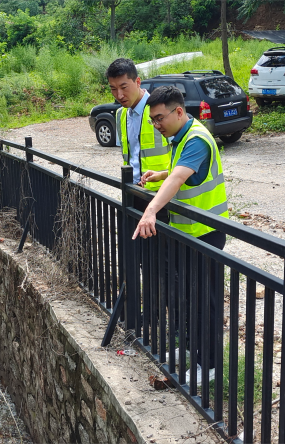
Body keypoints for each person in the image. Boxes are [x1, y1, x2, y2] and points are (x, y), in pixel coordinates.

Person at [132, 85, 229, 384]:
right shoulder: (181, 136)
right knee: (187, 297)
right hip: (188, 234)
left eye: (160, 118)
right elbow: (177, 172)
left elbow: (178, 178)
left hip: (206, 235)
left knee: (205, 302)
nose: (156, 125)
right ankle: (192, 350)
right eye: (152, 120)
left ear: (178, 112)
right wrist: (159, 175)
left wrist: (150, 211)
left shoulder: (197, 138)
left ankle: (210, 366)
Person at [105, 58, 170, 222]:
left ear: (138, 81)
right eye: (113, 89)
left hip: (161, 195)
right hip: (132, 191)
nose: (119, 95)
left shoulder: (160, 110)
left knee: (161, 246)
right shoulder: (121, 114)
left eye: (124, 87)